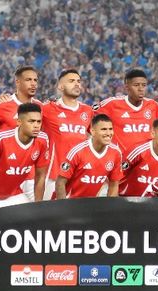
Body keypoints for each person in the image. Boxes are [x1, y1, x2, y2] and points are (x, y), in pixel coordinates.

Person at [0, 103, 50, 212]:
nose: (36, 125)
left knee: (33, 220)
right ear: (19, 122)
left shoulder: (43, 140)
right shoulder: (1, 138)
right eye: (31, 121)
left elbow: (40, 176)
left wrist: (38, 207)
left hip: (13, 194)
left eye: (39, 122)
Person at [40, 69, 95, 200]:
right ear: (60, 86)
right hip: (53, 176)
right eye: (71, 81)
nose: (76, 84)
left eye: (78, 81)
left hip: (80, 176)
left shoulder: (88, 111)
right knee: (52, 213)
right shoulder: (47, 109)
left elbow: (95, 138)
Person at [94, 69, 158, 157]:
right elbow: (87, 115)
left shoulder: (153, 105)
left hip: (146, 161)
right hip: (120, 160)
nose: (141, 89)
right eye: (136, 85)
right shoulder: (112, 104)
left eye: (144, 85)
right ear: (127, 87)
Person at [55, 114, 123, 199]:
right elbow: (60, 182)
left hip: (92, 203)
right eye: (104, 129)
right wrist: (63, 205)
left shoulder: (116, 153)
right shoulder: (77, 152)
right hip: (71, 202)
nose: (108, 133)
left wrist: (111, 205)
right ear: (92, 131)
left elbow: (114, 183)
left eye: (110, 129)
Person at [119, 118, 158, 197]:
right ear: (153, 134)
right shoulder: (138, 151)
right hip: (126, 199)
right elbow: (116, 176)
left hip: (153, 201)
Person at [0, 66, 41, 134]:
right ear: (17, 82)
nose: (33, 84)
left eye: (35, 80)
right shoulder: (2, 105)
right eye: (28, 80)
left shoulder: (40, 106)